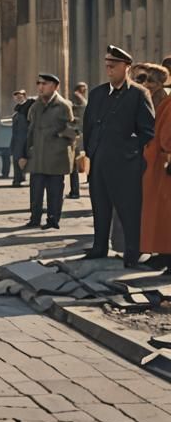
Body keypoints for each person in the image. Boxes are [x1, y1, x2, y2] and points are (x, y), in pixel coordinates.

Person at [82, 46, 156, 267]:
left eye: (113, 66)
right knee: (100, 206)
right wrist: (91, 152)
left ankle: (132, 251)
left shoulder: (138, 94)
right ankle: (99, 247)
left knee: (128, 209)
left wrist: (130, 152)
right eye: (107, 66)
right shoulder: (97, 93)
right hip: (99, 161)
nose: (109, 70)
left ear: (127, 67)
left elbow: (148, 131)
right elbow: (88, 127)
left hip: (125, 164)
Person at [23, 74, 76, 230]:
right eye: (38, 83)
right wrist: (25, 153)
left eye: (44, 84)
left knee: (55, 191)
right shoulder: (35, 106)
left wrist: (61, 134)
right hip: (38, 155)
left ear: (55, 86)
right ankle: (35, 218)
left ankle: (53, 219)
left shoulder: (64, 105)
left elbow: (74, 130)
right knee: (36, 190)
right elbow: (30, 130)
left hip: (56, 156)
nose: (40, 87)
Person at [137, 65, 170, 268]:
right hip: (158, 159)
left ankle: (164, 254)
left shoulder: (165, 100)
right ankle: (162, 253)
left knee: (161, 212)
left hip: (161, 161)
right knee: (158, 212)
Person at [68, 82, 88, 199]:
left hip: (77, 135)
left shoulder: (81, 102)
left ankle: (75, 191)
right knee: (74, 165)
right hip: (77, 134)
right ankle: (74, 190)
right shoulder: (79, 101)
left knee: (74, 165)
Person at [9, 89, 29, 186]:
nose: (18, 98)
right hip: (17, 137)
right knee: (17, 158)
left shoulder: (28, 107)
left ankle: (21, 177)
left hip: (25, 136)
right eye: (16, 97)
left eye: (20, 96)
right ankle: (18, 178)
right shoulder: (17, 110)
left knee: (25, 157)